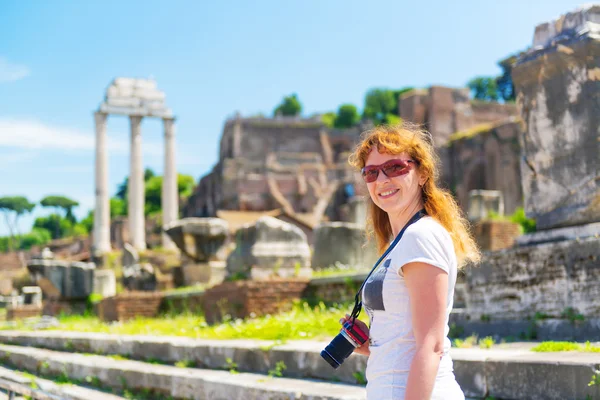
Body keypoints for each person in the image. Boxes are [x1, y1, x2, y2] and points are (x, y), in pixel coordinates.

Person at [341, 123, 481, 400]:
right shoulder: (403, 240)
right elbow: (410, 338)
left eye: (395, 168)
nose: (381, 180)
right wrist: (375, 343)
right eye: (371, 173)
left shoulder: (421, 235)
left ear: (422, 173)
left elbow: (431, 345)